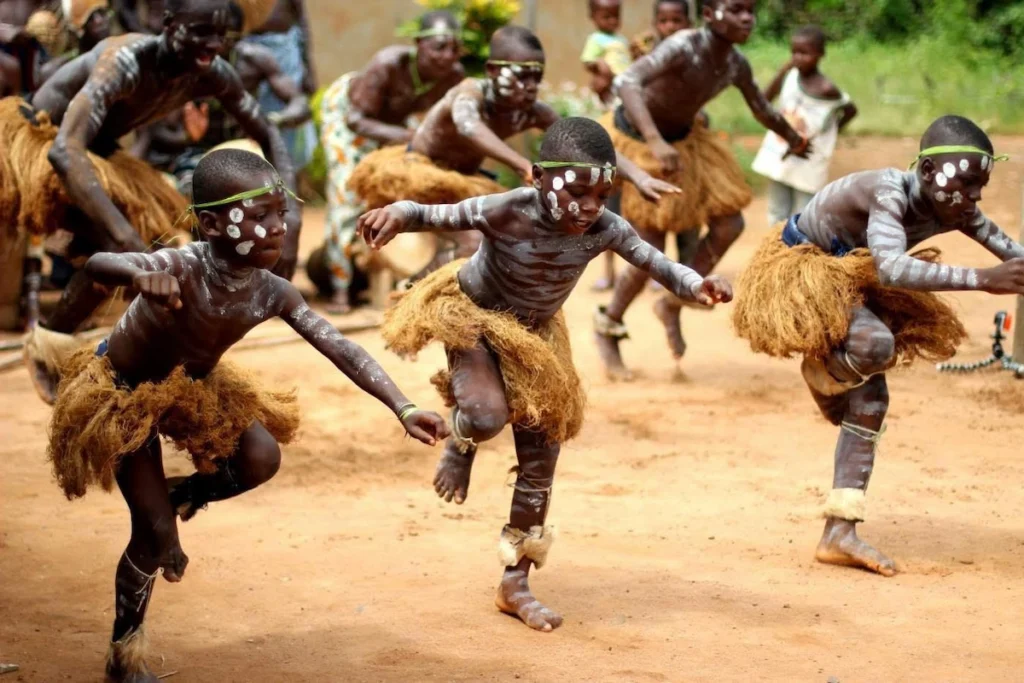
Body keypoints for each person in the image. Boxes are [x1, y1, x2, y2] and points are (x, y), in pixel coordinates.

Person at [48, 148, 450, 683]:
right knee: (154, 538)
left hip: (191, 388)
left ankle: (180, 496)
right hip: (123, 395)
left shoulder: (271, 291)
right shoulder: (181, 266)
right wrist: (137, 273)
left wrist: (402, 405)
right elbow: (100, 265)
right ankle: (125, 651)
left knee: (261, 457)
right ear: (211, 224)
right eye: (259, 216)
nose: (277, 227)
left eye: (281, 213)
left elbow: (341, 347)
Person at [357, 117, 732, 631]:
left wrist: (696, 285)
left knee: (543, 452)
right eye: (577, 192)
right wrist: (396, 213)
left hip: (534, 333)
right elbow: (431, 212)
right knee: (488, 415)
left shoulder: (604, 228)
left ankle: (515, 583)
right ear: (536, 177)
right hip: (473, 318)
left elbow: (655, 262)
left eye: (603, 195)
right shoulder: (506, 210)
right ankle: (462, 439)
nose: (590, 207)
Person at [733, 115, 1024, 577]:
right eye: (966, 184)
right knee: (874, 344)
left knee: (872, 400)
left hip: (854, 278)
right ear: (929, 173)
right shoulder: (888, 191)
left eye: (980, 186)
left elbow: (1017, 256)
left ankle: (839, 532)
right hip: (803, 270)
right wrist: (984, 280)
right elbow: (890, 268)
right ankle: (824, 373)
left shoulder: (956, 208)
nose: (974, 197)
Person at [10, 0, 302, 402]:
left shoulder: (213, 73)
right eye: (201, 31)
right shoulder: (124, 62)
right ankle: (51, 348)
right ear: (169, 24)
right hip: (39, 144)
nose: (213, 44)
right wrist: (127, 237)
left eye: (221, 35)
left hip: (97, 153)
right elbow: (63, 151)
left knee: (151, 249)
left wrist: (295, 214)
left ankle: (119, 361)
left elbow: (267, 132)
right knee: (126, 246)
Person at [349, 25, 680, 285]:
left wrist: (639, 175)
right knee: (475, 241)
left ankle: (442, 289)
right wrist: (521, 164)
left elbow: (587, 145)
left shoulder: (533, 110)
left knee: (501, 239)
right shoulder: (469, 92)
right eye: (521, 75)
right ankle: (416, 290)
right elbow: (469, 128)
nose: (530, 85)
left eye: (537, 76)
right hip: (419, 175)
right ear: (493, 70)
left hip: (465, 184)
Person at [593, 0, 809, 380]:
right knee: (649, 249)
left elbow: (760, 107)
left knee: (730, 224)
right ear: (709, 15)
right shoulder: (683, 45)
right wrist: (655, 141)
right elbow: (626, 83)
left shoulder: (734, 63)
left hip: (684, 143)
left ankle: (679, 297)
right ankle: (608, 325)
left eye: (750, 10)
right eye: (737, 10)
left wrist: (791, 136)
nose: (747, 18)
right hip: (638, 141)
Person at [317, 10, 463, 313]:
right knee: (348, 190)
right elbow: (356, 119)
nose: (447, 55)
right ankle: (340, 287)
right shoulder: (388, 63)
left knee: (408, 183)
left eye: (454, 48)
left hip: (398, 126)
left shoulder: (454, 77)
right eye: (438, 46)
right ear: (418, 45)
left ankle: (398, 273)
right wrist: (407, 136)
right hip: (350, 116)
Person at [133, 0, 310, 197]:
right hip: (193, 154)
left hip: (242, 149)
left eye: (223, 36)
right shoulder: (184, 65)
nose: (215, 44)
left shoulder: (252, 61)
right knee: (193, 190)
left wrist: (272, 122)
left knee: (259, 187)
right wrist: (187, 136)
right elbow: (156, 133)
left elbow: (300, 103)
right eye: (205, 33)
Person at [752, 25, 858, 225]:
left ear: (820, 54)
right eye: (794, 52)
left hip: (809, 155)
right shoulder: (790, 76)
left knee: (804, 215)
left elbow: (851, 110)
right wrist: (782, 70)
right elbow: (764, 100)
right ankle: (777, 254)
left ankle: (799, 254)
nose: (797, 58)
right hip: (781, 150)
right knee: (776, 212)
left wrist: (831, 131)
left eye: (805, 53)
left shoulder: (826, 89)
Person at [241, 0, 317, 170]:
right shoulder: (240, 53)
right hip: (246, 51)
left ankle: (289, 175)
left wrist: (308, 69)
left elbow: (301, 20)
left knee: (290, 122)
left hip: (283, 50)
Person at [580, 0, 630, 106]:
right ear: (593, 17)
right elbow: (587, 61)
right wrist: (599, 63)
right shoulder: (596, 39)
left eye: (616, 16)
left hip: (624, 82)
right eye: (606, 17)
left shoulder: (622, 39)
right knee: (610, 109)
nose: (612, 21)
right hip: (608, 85)